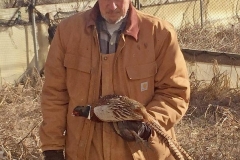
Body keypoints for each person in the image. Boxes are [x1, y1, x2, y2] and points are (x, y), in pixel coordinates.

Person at [39, 0, 190, 159]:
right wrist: (52, 148)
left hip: (142, 153)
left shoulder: (159, 33)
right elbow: (54, 94)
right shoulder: (68, 31)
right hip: (85, 153)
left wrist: (146, 125)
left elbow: (174, 92)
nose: (112, 6)